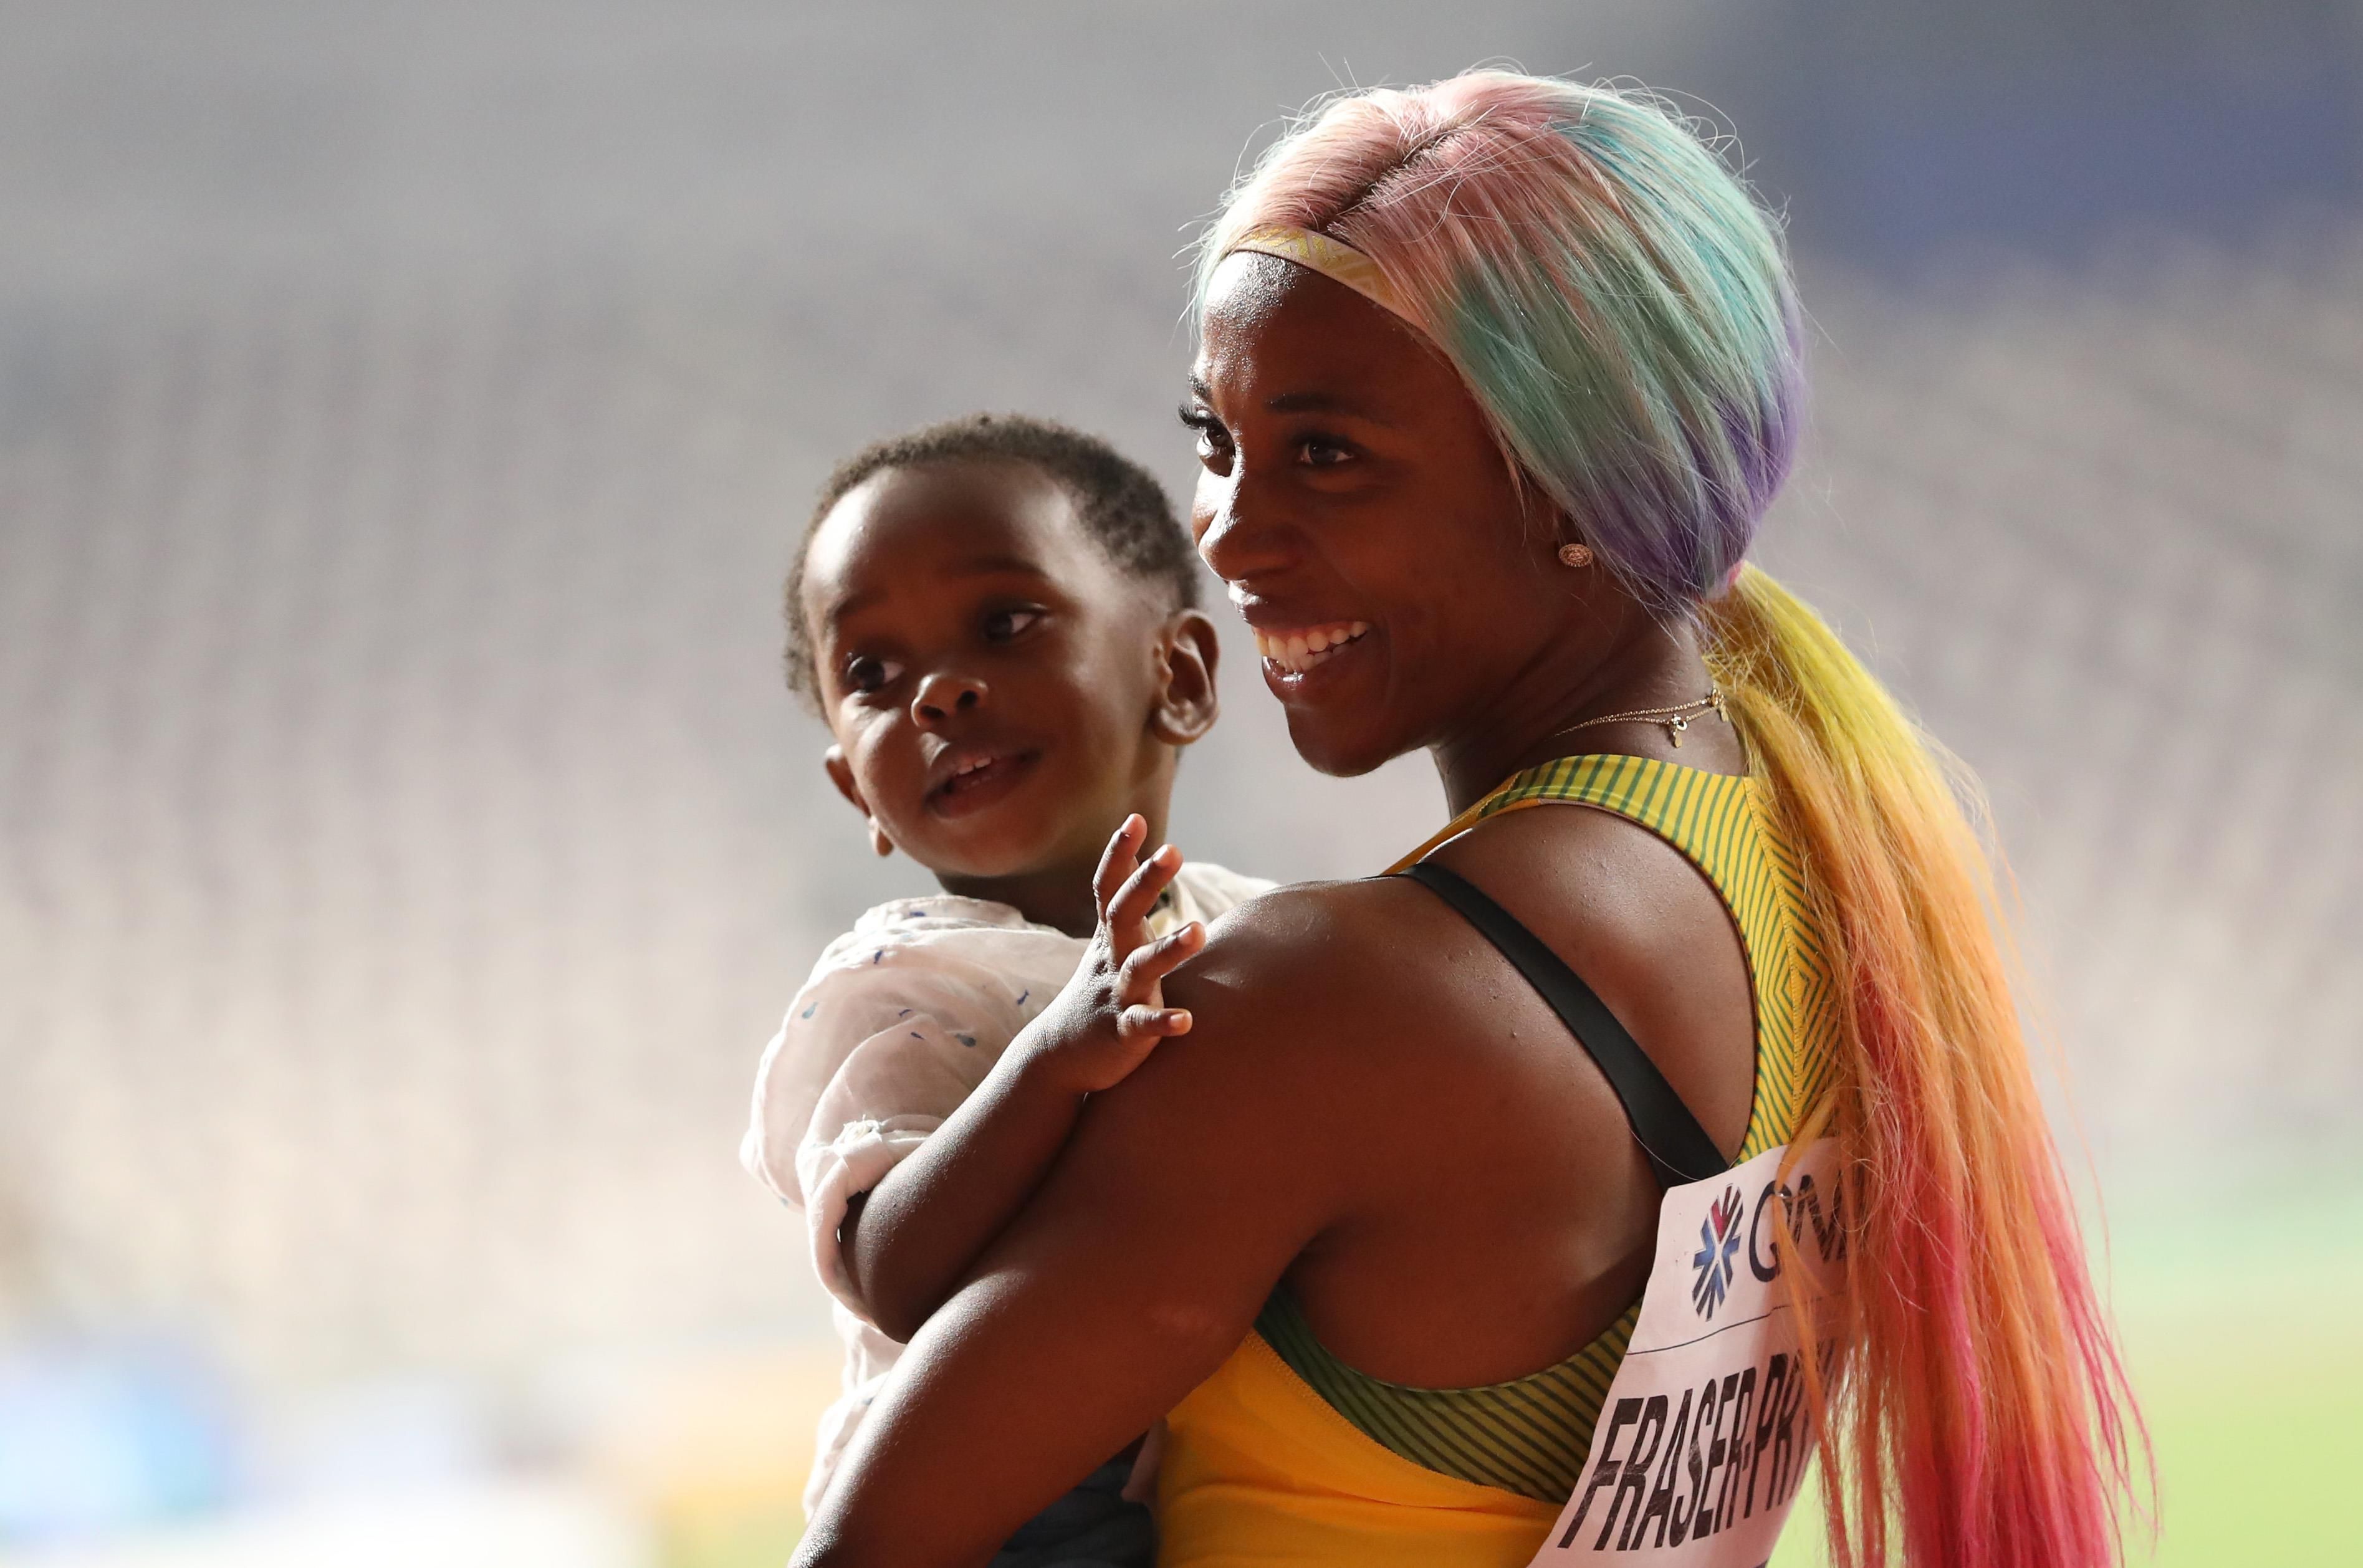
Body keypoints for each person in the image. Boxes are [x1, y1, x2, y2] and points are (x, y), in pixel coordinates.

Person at [793, 72, 2143, 1568]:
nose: (1223, 531)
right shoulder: (1822, 851)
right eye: (1218, 439)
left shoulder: (1339, 1002)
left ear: (1577, 478)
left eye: (1325, 453)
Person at [742, 414, 1272, 1564]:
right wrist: (1050, 1064)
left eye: (1005, 624)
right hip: (1002, 1510)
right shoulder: (914, 988)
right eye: (872, 675)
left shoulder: (1249, 926)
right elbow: (896, 1274)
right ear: (856, 793)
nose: (936, 694)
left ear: (1176, 676)